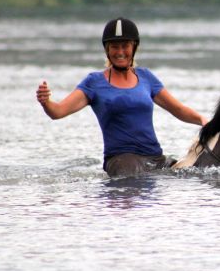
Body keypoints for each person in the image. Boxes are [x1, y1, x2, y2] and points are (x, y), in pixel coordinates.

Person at [36, 17, 208, 177]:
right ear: (107, 50)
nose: (120, 52)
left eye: (125, 46)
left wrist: (203, 120)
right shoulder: (94, 83)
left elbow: (177, 109)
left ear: (134, 47)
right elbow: (57, 112)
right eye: (114, 47)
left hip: (156, 158)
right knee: (134, 184)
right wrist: (46, 102)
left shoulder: (146, 77)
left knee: (194, 172)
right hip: (121, 161)